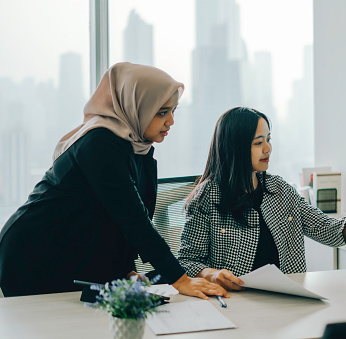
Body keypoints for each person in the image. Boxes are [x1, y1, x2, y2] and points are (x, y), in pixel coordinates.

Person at [0, 62, 228, 300]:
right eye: (162, 112)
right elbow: (134, 219)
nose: (170, 121)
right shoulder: (99, 143)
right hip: (35, 254)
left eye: (173, 111)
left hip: (72, 252)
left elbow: (116, 217)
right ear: (136, 106)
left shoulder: (139, 149)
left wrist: (124, 269)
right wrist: (180, 279)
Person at [178, 107, 346, 290]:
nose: (268, 148)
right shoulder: (207, 197)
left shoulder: (279, 189)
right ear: (235, 147)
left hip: (287, 299)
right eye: (258, 142)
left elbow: (328, 230)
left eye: (269, 139)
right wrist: (212, 275)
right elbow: (186, 262)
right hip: (233, 302)